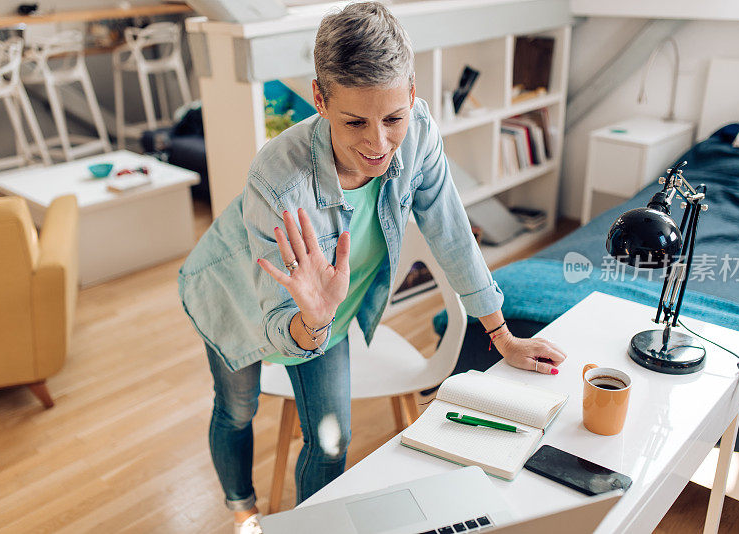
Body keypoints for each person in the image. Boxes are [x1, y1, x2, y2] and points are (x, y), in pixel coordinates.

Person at [178, 3, 567, 533]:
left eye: (393, 118)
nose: (378, 144)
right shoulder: (279, 177)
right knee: (238, 410)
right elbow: (279, 315)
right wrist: (313, 318)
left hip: (322, 310)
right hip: (238, 298)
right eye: (354, 122)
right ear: (320, 98)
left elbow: (452, 232)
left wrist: (502, 336)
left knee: (332, 441)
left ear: (411, 93)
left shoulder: (422, 133)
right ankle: (243, 510)